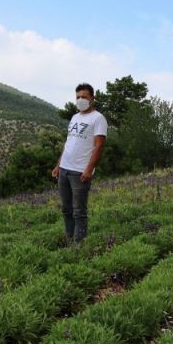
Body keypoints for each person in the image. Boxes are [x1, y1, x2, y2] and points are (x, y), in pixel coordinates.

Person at [51, 83, 107, 243]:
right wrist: (58, 165)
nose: (80, 100)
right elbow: (68, 143)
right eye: (78, 97)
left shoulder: (98, 118)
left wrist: (89, 169)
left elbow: (99, 146)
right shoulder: (75, 117)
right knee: (66, 209)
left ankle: (79, 245)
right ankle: (69, 240)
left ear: (92, 99)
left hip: (80, 172)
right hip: (64, 169)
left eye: (84, 97)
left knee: (79, 211)